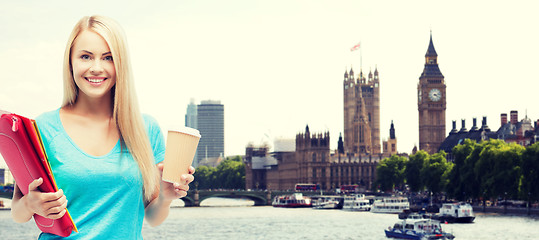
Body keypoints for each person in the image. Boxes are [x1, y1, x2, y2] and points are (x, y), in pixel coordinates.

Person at [10, 15, 195, 239]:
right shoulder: (42, 128)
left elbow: (153, 217)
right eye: (86, 56)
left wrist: (165, 198)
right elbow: (18, 213)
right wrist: (31, 204)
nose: (96, 68)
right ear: (70, 62)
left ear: (121, 64)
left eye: (108, 58)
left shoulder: (146, 129)